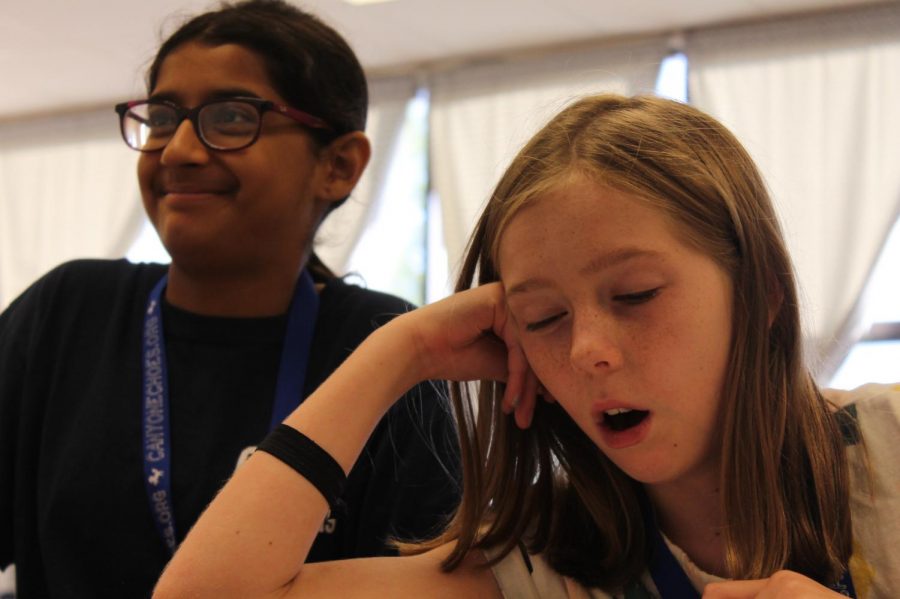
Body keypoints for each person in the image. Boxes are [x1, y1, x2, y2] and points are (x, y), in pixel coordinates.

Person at [153, 93, 899, 598]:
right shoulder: (544, 556)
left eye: (634, 296)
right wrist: (402, 352)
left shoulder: (889, 449)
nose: (587, 352)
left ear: (764, 293)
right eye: (543, 318)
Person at [0, 1, 460, 597]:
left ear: (339, 166)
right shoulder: (68, 314)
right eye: (163, 117)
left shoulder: (386, 348)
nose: (178, 151)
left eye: (232, 117)